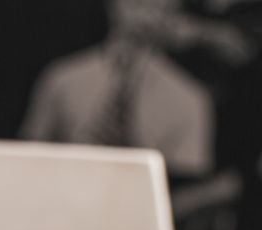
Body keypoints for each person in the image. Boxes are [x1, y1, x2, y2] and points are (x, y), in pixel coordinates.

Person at [19, 0, 215, 178]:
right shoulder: (61, 79)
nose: (145, 11)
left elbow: (187, 191)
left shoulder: (190, 100)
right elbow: (25, 165)